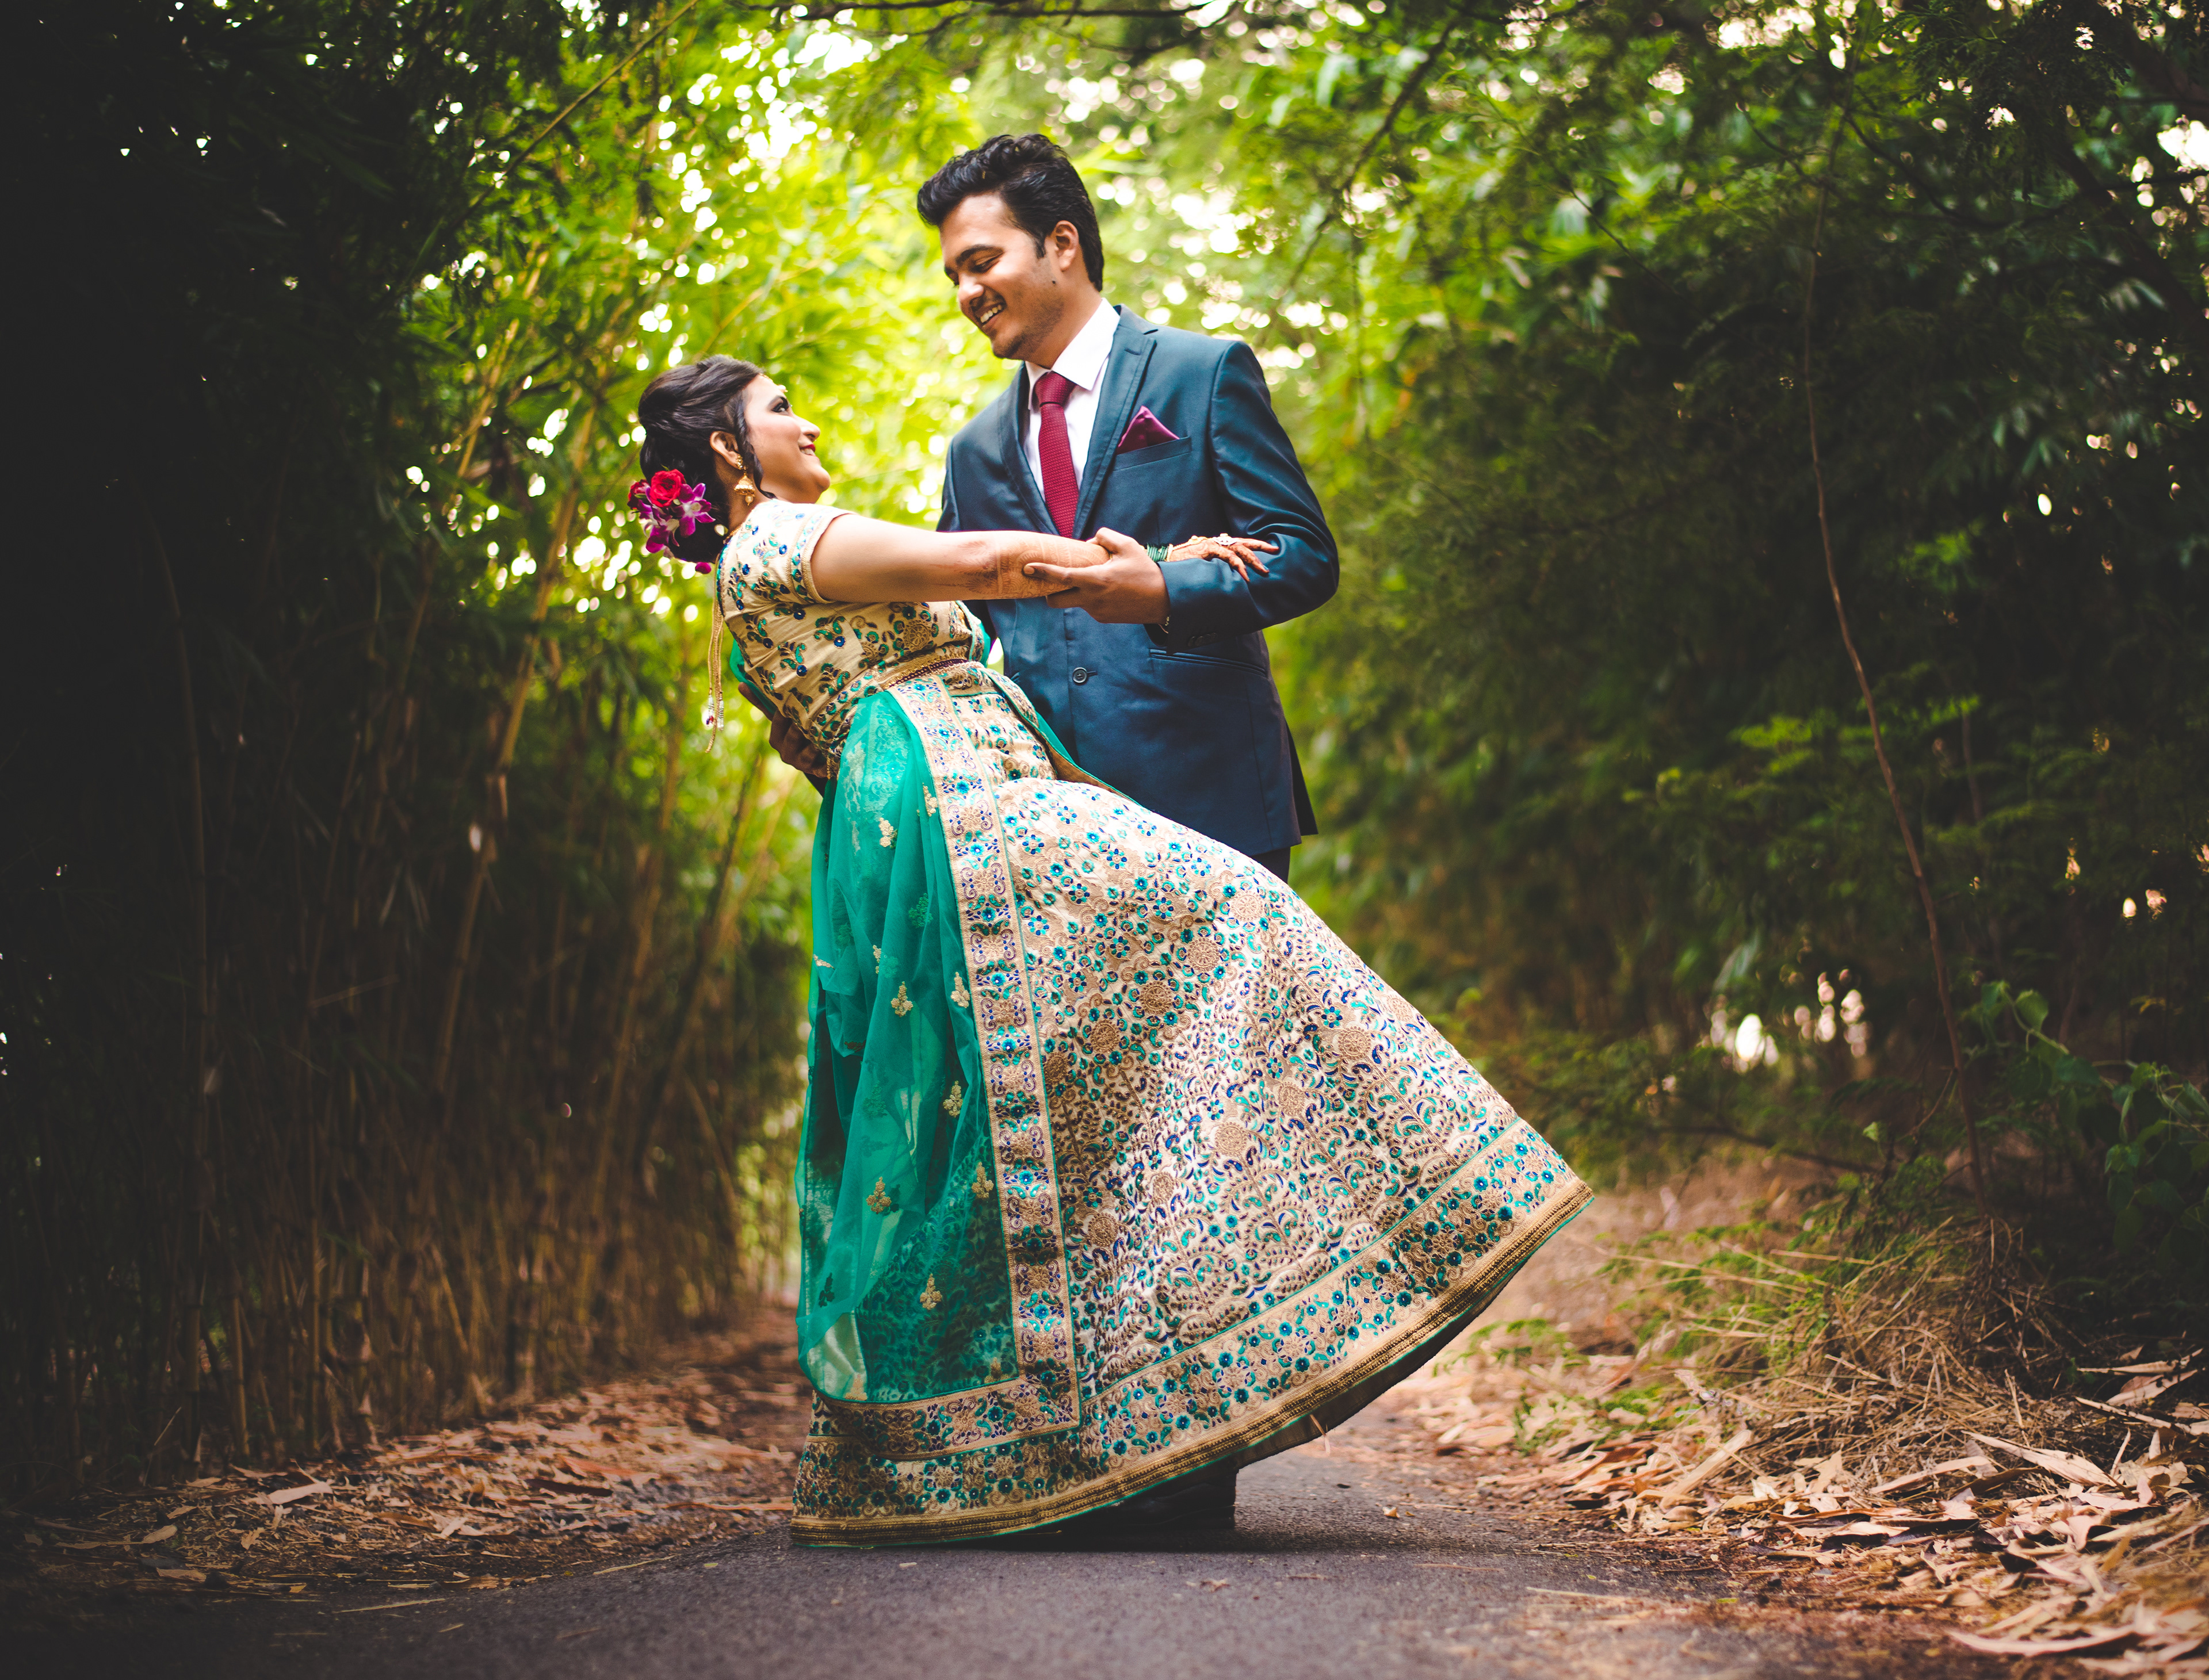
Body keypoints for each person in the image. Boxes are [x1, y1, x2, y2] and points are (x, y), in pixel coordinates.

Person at [635, 354, 1589, 1548]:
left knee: (1038, 1115)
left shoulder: (747, 575)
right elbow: (986, 565)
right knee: (1231, 907)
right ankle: (1395, 1208)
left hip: (936, 818)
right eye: (779, 408)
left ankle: (1116, 1418)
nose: (806, 421)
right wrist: (1171, 571)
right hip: (963, 816)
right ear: (728, 450)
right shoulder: (785, 536)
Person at [918, 133, 1334, 881]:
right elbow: (952, 636)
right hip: (1053, 834)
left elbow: (1303, 556)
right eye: (955, 276)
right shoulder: (971, 452)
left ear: (1062, 244)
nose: (965, 293)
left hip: (1216, 805)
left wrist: (1167, 589)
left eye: (981, 263)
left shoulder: (1203, 371)